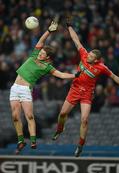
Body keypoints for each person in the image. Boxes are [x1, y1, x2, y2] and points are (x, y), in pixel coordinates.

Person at [52, 20, 119, 157]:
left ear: (96, 60)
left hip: (87, 94)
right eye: (89, 54)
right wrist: (70, 26)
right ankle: (59, 129)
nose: (88, 55)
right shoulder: (84, 55)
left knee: (84, 119)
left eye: (91, 56)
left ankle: (80, 145)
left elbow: (114, 77)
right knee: (62, 115)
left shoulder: (101, 67)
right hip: (74, 89)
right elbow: (75, 40)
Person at [9, 20, 80, 154]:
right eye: (41, 52)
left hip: (25, 90)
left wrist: (75, 75)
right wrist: (48, 31)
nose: (40, 53)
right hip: (15, 87)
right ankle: (20, 140)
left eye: (43, 53)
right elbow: (40, 42)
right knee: (15, 116)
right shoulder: (34, 54)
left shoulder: (47, 67)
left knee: (29, 116)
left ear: (48, 58)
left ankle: (33, 140)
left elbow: (61, 75)